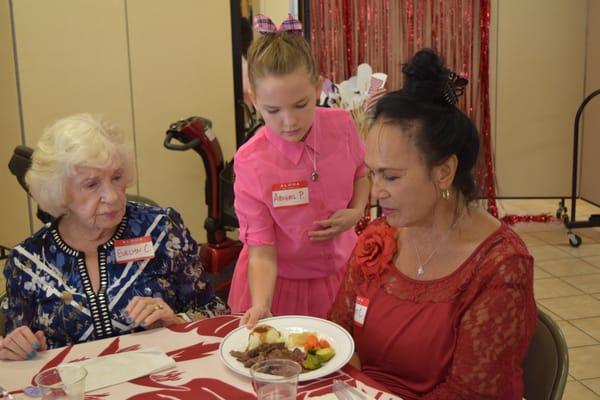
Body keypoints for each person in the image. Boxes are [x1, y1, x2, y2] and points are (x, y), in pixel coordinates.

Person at [328, 49, 536, 399]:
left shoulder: (500, 267)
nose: (376, 193)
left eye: (391, 177)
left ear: (443, 172)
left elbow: (470, 394)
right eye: (373, 174)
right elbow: (336, 335)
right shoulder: (381, 237)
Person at [0, 114, 229, 360]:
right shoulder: (28, 261)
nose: (112, 196)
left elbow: (216, 312)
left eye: (117, 178)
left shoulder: (161, 230)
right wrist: (19, 347)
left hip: (162, 381)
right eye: (91, 184)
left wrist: (176, 319)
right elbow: (16, 348)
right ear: (59, 191)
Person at [228, 14, 369, 327]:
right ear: (253, 100)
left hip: (341, 270)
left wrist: (357, 210)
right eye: (273, 111)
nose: (289, 122)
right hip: (279, 283)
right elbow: (261, 250)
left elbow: (362, 173)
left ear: (318, 88)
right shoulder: (252, 161)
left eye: (301, 105)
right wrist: (262, 305)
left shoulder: (342, 125)